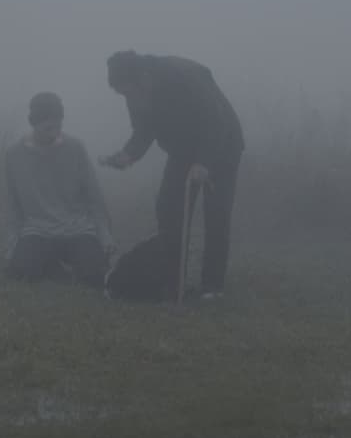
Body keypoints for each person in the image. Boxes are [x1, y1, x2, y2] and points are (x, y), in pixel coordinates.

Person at [99, 50, 245, 299]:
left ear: (143, 77)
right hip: (182, 150)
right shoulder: (133, 89)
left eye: (129, 91)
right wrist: (128, 154)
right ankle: (173, 279)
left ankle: (212, 286)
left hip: (222, 145)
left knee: (216, 213)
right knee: (169, 208)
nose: (128, 98)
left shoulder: (183, 76)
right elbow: (143, 129)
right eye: (123, 94)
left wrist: (204, 162)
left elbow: (214, 120)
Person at [4, 91, 115, 286]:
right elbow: (13, 205)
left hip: (78, 229)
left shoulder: (75, 148)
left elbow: (94, 198)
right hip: (37, 230)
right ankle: (52, 265)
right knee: (20, 273)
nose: (54, 132)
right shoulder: (14, 155)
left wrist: (105, 236)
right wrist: (12, 245)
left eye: (58, 125)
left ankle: (73, 264)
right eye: (48, 127)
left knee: (94, 276)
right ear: (34, 123)